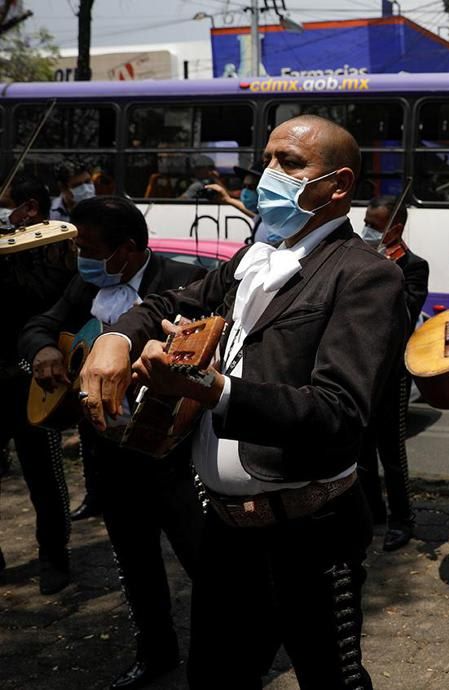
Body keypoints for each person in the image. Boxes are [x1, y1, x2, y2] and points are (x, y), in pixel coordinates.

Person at [78, 115, 405, 689]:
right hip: (227, 533)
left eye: (290, 163)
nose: (267, 175)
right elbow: (167, 302)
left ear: (338, 185)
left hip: (311, 534)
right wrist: (114, 338)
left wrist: (211, 390)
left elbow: (338, 414)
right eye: (267, 160)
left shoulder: (364, 276)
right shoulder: (253, 256)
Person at [20, 196, 206, 689]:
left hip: (176, 456)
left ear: (126, 251)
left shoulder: (184, 280)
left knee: (203, 560)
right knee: (134, 560)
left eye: (87, 247)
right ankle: (155, 651)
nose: (79, 256)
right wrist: (42, 350)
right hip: (110, 451)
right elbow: (41, 324)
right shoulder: (86, 282)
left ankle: (222, 658)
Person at [0, 178, 76, 595]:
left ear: (28, 209)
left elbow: (43, 298)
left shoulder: (57, 245)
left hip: (32, 376)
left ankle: (54, 556)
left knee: (44, 475)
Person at [360, 194, 429, 551]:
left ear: (395, 228)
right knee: (362, 449)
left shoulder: (413, 266)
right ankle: (373, 512)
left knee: (392, 453)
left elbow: (404, 314)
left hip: (392, 374)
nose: (367, 229)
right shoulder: (358, 256)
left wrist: (385, 270)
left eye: (375, 225)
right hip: (360, 368)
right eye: (367, 222)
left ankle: (403, 520)